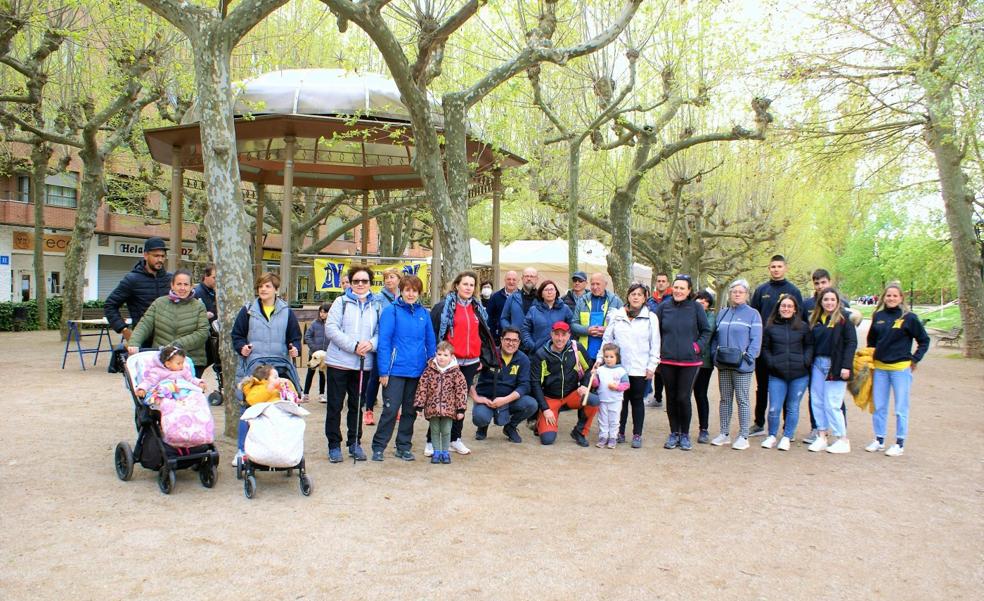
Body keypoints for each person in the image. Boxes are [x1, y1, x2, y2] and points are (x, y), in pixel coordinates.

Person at [230, 271, 302, 465]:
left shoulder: (286, 311)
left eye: (268, 286)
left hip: (278, 366)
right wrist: (242, 347)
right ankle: (242, 450)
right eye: (261, 286)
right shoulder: (248, 310)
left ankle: (279, 448)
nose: (263, 289)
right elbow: (237, 335)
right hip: (254, 367)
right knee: (250, 408)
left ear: (276, 290)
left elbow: (294, 336)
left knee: (279, 410)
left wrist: (294, 348)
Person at [430, 270, 495, 457]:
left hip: (471, 362)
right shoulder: (444, 306)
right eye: (465, 284)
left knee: (460, 402)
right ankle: (431, 439)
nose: (468, 288)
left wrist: (481, 358)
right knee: (441, 400)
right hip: (450, 361)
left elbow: (483, 334)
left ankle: (454, 439)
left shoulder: (478, 309)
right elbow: (435, 333)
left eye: (472, 285)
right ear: (457, 285)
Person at [373, 275, 436, 462]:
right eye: (407, 290)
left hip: (417, 371)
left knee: (410, 411)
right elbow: (384, 342)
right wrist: (383, 371)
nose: (411, 294)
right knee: (390, 410)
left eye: (414, 291)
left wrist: (431, 364)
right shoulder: (391, 311)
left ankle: (403, 446)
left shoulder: (424, 313)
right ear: (401, 291)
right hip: (395, 370)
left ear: (419, 293)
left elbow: (430, 340)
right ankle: (379, 446)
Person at [323, 265, 380, 463]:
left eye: (364, 281)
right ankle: (333, 445)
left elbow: (381, 333)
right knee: (335, 406)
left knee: (357, 405)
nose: (360, 284)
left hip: (363, 365)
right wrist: (353, 346)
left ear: (370, 283)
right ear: (350, 283)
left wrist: (371, 344)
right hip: (339, 362)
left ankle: (354, 442)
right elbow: (331, 329)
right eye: (356, 281)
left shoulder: (377, 305)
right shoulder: (341, 302)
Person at [865, 283, 930, 457]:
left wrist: (915, 359)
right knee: (879, 406)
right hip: (880, 368)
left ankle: (899, 442)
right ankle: (879, 439)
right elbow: (871, 341)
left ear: (901, 298)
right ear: (883, 297)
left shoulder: (909, 318)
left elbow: (924, 340)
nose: (891, 298)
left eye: (895, 295)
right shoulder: (878, 316)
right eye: (888, 295)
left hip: (900, 369)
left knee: (901, 407)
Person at [653, 275, 711, 451]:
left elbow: (706, 331)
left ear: (689, 291)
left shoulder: (696, 308)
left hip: (689, 362)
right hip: (667, 360)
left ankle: (684, 434)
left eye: (682, 288)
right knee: (671, 397)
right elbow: (655, 332)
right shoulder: (663, 307)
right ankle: (674, 433)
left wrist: (696, 347)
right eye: (676, 287)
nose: (678, 291)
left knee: (683, 397)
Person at [600, 282, 660, 448]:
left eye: (639, 294)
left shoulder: (651, 318)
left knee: (636, 400)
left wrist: (652, 365)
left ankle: (637, 434)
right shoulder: (617, 315)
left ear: (644, 298)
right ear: (628, 296)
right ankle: (619, 432)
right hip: (619, 368)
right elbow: (607, 339)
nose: (635, 297)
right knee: (621, 400)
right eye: (633, 294)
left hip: (639, 368)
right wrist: (601, 359)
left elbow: (655, 343)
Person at [749, 254, 804, 436]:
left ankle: (787, 426)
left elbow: (800, 319)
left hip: (786, 347)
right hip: (765, 346)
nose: (776, 269)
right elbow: (753, 316)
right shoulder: (761, 290)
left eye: (779, 266)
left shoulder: (793, 291)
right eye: (773, 266)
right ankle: (759, 423)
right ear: (769, 269)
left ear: (785, 268)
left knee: (786, 388)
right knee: (762, 386)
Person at [127, 269, 210, 376]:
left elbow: (202, 333)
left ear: (191, 286)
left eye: (186, 284)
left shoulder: (199, 306)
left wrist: (177, 345)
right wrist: (134, 343)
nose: (182, 288)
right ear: (172, 285)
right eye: (179, 284)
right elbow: (144, 325)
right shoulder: (159, 303)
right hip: (163, 359)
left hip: (191, 360)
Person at [710, 279, 762, 450]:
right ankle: (724, 433)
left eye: (741, 292)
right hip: (724, 363)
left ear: (746, 294)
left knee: (742, 400)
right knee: (725, 399)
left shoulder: (753, 314)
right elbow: (715, 335)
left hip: (742, 366)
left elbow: (756, 339)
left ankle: (743, 435)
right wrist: (714, 354)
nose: (737, 294)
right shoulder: (723, 313)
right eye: (734, 291)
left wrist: (749, 357)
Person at [531, 321, 599, 446]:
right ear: (551, 334)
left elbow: (589, 368)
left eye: (563, 335)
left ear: (569, 335)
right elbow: (535, 384)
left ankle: (579, 432)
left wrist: (584, 385)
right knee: (547, 440)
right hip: (550, 398)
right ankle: (540, 422)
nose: (560, 338)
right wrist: (545, 409)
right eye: (557, 334)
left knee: (594, 401)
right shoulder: (541, 354)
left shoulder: (576, 348)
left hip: (571, 395)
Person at [807, 288, 858, 453]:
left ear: (837, 301)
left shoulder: (844, 319)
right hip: (817, 364)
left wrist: (846, 366)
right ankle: (821, 435)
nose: (829, 303)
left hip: (834, 364)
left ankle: (842, 438)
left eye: (832, 299)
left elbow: (851, 343)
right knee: (817, 400)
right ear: (821, 302)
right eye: (826, 299)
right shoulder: (816, 319)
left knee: (833, 403)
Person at [760, 295, 813, 451]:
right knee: (774, 407)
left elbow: (809, 346)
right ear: (778, 308)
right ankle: (771, 435)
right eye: (783, 306)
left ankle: (787, 436)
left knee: (793, 407)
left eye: (790, 306)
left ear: (795, 309)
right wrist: (771, 362)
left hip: (799, 374)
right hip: (777, 374)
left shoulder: (803, 327)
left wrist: (805, 361)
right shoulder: (770, 327)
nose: (786, 309)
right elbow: (765, 348)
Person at [471, 327, 538, 443]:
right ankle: (482, 426)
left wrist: (505, 400)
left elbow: (525, 386)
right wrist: (476, 397)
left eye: (514, 340)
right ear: (501, 340)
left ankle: (510, 427)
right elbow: (466, 375)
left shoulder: (523, 359)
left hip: (508, 400)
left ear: (519, 342)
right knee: (480, 417)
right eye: (507, 339)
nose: (511, 343)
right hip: (487, 400)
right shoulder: (489, 354)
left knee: (531, 404)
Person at [104, 236, 172, 340]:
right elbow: (110, 305)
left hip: (168, 339)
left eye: (163, 256)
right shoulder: (132, 279)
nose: (160, 260)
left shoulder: (170, 279)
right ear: (145, 255)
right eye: (156, 256)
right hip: (143, 340)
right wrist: (124, 330)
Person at [414, 341, 469, 465]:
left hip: (449, 409)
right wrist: (419, 405)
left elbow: (461, 391)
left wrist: (461, 409)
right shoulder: (429, 371)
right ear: (435, 354)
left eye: (445, 355)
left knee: (446, 430)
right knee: (434, 430)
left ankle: (445, 452)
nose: (441, 357)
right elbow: (422, 388)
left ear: (452, 357)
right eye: (439, 354)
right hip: (432, 408)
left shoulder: (456, 373)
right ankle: (436, 452)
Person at [362, 269, 401, 426]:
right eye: (386, 278)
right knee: (375, 377)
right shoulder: (378, 298)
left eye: (392, 277)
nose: (388, 280)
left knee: (395, 378)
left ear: (399, 279)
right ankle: (369, 410)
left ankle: (394, 408)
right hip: (382, 343)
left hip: (397, 344)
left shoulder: (403, 297)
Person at [571, 272, 623, 363]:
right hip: (585, 353)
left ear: (605, 284)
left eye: (598, 284)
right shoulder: (582, 301)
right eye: (592, 284)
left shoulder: (616, 301)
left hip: (608, 355)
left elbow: (623, 326)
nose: (595, 287)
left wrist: (607, 331)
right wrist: (587, 330)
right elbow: (574, 324)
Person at [592, 343, 630, 448]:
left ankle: (613, 437)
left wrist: (617, 387)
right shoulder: (600, 370)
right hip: (603, 399)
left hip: (615, 400)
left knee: (614, 419)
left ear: (617, 357)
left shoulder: (621, 371)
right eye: (606, 356)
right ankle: (603, 436)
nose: (608, 359)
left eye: (611, 357)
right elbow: (596, 384)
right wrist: (594, 377)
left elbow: (626, 385)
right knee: (602, 419)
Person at [521, 280, 574, 354]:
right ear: (541, 294)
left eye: (552, 289)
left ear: (556, 292)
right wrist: (532, 346)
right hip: (538, 353)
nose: (549, 292)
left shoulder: (565, 309)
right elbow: (525, 329)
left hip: (560, 352)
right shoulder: (533, 310)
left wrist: (566, 344)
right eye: (546, 290)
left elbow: (572, 327)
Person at [135, 345, 206, 398]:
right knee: (166, 402)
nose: (182, 365)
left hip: (184, 392)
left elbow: (191, 379)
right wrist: (142, 389)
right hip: (167, 395)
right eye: (178, 363)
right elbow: (149, 382)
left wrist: (199, 382)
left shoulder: (184, 370)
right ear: (168, 364)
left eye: (182, 363)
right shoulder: (158, 372)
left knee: (199, 398)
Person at [692, 290, 717, 444]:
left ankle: (704, 428)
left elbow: (705, 335)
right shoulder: (688, 314)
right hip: (686, 360)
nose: (702, 301)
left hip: (704, 362)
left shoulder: (710, 318)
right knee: (682, 396)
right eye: (699, 298)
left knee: (700, 394)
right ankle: (681, 429)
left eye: (706, 300)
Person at [644, 273, 672, 406]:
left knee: (667, 369)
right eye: (658, 281)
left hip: (667, 339)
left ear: (668, 283)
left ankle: (671, 399)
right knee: (655, 369)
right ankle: (657, 397)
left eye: (663, 281)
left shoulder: (672, 299)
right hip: (650, 339)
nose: (661, 283)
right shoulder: (649, 301)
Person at [302, 303, 331, 402]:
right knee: (310, 373)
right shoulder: (315, 323)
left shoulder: (332, 324)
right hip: (314, 354)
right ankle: (305, 394)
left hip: (325, 355)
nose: (322, 314)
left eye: (324, 312)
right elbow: (307, 336)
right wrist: (313, 348)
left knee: (323, 374)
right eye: (321, 312)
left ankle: (322, 394)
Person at [500, 267, 539, 334]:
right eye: (526, 276)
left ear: (537, 279)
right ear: (522, 279)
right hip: (516, 341)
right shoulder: (512, 298)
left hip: (536, 341)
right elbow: (504, 318)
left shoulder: (542, 298)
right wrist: (510, 332)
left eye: (532, 276)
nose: (529, 279)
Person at [485, 270, 518, 339]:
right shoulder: (495, 297)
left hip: (518, 337)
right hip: (499, 336)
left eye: (514, 280)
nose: (511, 282)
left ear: (518, 281)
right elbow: (489, 317)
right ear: (504, 280)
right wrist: (493, 334)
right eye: (508, 279)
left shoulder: (522, 297)